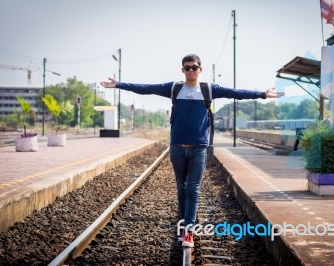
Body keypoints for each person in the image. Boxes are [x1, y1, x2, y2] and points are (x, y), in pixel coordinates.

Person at [101, 54, 278, 247]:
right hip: (177, 147)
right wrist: (119, 85)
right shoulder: (174, 88)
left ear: (200, 69)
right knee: (181, 188)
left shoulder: (209, 89)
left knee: (192, 189)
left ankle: (188, 232)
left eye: (194, 67)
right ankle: (184, 225)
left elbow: (235, 93)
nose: (191, 70)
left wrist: (261, 94)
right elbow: (146, 89)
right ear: (183, 70)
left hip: (198, 149)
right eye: (187, 68)